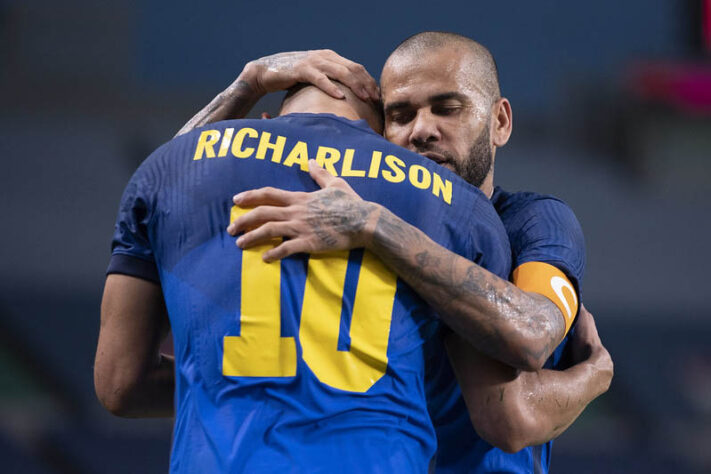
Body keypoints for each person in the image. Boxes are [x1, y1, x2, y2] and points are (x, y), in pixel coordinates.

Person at [181, 33, 613, 472]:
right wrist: (249, 83)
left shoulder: (531, 221)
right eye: (400, 114)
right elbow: (164, 198)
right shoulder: (331, 217)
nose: (422, 130)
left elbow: (533, 334)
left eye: (448, 108)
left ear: (499, 122)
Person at [94, 80, 514, 472]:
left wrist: (240, 379)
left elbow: (120, 384)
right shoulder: (459, 204)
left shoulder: (170, 166)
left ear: (267, 122)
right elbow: (500, 412)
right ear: (376, 133)